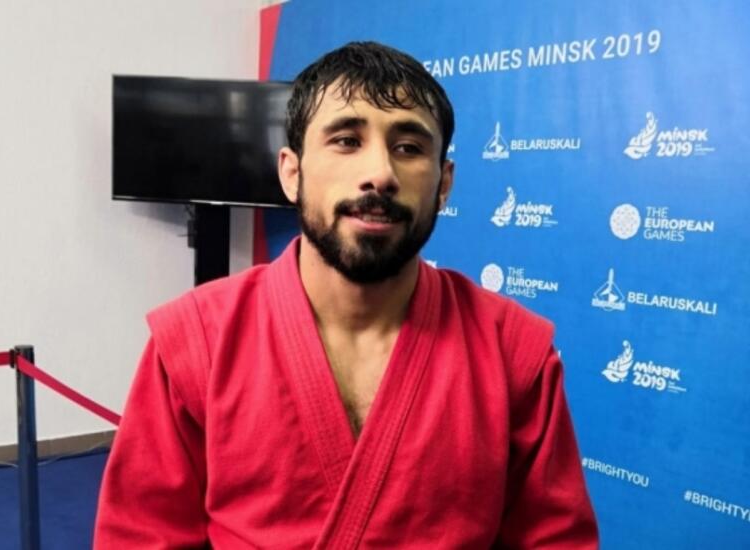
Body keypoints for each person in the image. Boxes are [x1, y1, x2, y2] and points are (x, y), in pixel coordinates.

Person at [94, 41, 598, 549]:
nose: (380, 173)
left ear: (443, 184)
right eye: (346, 140)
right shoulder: (196, 341)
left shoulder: (512, 351)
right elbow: (140, 537)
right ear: (292, 173)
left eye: (409, 147)